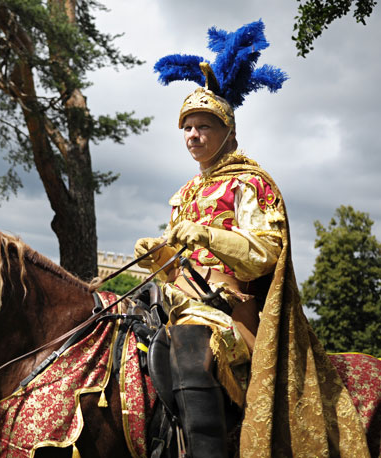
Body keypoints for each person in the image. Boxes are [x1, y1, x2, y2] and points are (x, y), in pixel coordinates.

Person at [138, 20, 369, 457]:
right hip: (177, 305)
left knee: (190, 347)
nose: (193, 135)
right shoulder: (185, 193)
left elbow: (267, 254)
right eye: (187, 127)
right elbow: (178, 270)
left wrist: (207, 235)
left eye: (203, 126)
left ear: (228, 132)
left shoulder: (250, 183)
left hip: (231, 312)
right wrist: (160, 257)